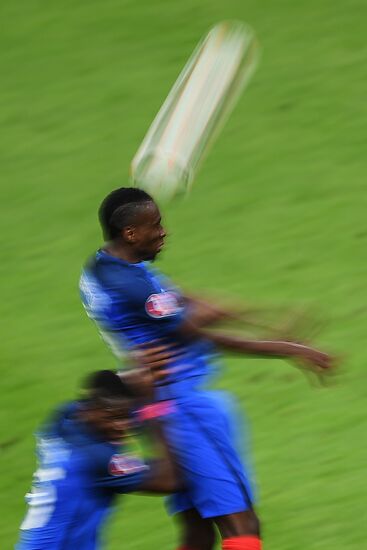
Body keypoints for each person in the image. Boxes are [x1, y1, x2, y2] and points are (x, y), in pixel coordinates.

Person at [79, 187, 334, 550]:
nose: (164, 231)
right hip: (184, 407)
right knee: (242, 527)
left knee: (198, 530)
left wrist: (264, 318)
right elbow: (198, 334)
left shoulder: (104, 266)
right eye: (155, 225)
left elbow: (183, 300)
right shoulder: (132, 285)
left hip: (161, 401)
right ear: (130, 233)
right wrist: (288, 349)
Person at [16, 367, 180, 550]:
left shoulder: (64, 418)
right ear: (90, 410)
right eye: (113, 418)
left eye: (125, 418)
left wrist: (129, 381)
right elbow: (171, 479)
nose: (121, 427)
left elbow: (117, 404)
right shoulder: (100, 460)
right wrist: (152, 404)